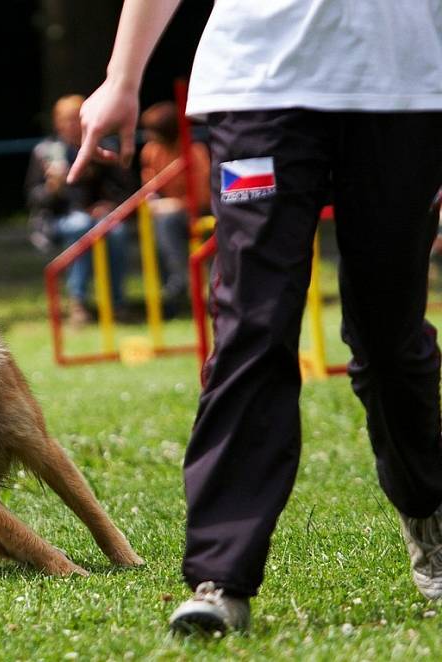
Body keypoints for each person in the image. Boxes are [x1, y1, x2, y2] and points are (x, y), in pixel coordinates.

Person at [69, 0, 442, 636]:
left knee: (389, 336)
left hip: (402, 87)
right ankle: (221, 577)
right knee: (254, 328)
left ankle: (429, 513)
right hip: (259, 85)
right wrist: (123, 78)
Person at [26, 94, 134, 325]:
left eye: (77, 118)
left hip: (101, 217)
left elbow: (126, 189)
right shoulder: (44, 151)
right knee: (80, 225)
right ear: (57, 123)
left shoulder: (104, 147)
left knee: (115, 230)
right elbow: (34, 200)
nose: (73, 125)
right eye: (67, 120)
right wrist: (52, 189)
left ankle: (116, 303)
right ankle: (79, 303)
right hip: (60, 219)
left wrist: (109, 205)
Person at [139, 101, 210, 314]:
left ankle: (179, 281)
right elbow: (149, 188)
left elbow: (204, 196)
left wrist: (176, 204)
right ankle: (172, 287)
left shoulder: (195, 151)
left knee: (167, 222)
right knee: (159, 223)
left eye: (152, 131)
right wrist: (154, 202)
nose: (146, 136)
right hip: (163, 213)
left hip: (201, 212)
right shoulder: (150, 151)